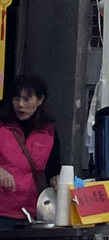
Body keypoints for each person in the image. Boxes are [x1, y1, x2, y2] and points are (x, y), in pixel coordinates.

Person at [0, 75, 60, 227]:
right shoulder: (2, 125)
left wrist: (57, 180)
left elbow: (53, 169)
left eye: (27, 99)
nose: (20, 104)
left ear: (40, 100)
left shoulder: (48, 132)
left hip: (29, 212)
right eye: (16, 98)